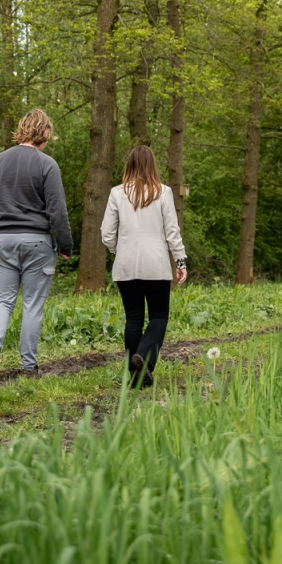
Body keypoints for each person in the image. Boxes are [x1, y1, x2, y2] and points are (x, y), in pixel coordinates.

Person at [0, 109, 73, 385]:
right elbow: (57, 210)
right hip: (36, 240)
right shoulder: (47, 164)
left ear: (22, 129)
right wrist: (65, 244)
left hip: (2, 238)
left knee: (1, 299)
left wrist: (4, 225)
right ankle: (28, 368)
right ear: (45, 133)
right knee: (32, 304)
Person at [101, 144, 187, 388]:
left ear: (129, 165)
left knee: (133, 318)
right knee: (159, 316)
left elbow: (107, 234)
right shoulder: (164, 192)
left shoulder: (117, 193)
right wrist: (180, 261)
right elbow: (172, 232)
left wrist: (118, 251)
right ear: (152, 166)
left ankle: (135, 374)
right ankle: (145, 359)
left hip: (125, 265)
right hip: (156, 264)